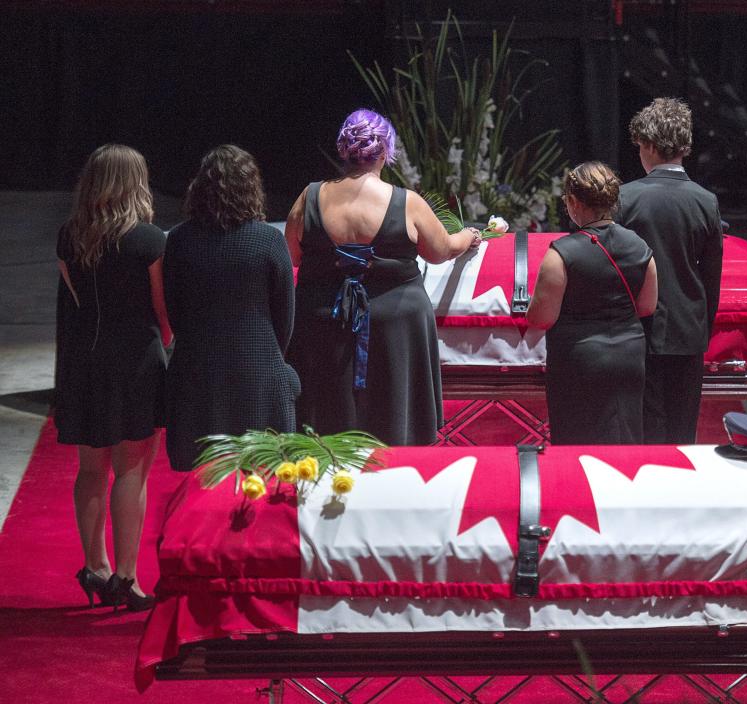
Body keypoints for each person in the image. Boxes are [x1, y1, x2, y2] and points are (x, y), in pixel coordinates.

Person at [285, 108, 480, 445]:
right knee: (394, 421)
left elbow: (292, 255)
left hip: (324, 322)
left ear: (344, 148)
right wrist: (469, 236)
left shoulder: (309, 196)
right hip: (396, 327)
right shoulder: (407, 202)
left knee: (327, 417)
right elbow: (441, 250)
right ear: (386, 151)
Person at [55, 144, 171, 612]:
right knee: (131, 470)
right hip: (135, 363)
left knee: (90, 469)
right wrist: (163, 341)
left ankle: (95, 568)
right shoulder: (148, 240)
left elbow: (75, 303)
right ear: (135, 183)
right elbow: (163, 314)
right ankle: (127, 578)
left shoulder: (68, 237)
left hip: (83, 363)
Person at [164, 145, 299, 471]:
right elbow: (286, 317)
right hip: (260, 375)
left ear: (200, 186)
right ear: (252, 188)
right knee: (260, 479)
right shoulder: (269, 241)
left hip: (197, 373)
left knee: (202, 481)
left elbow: (174, 309)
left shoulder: (180, 240)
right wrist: (269, 356)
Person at [527, 161, 658, 445]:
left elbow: (541, 318)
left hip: (579, 361)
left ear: (573, 202)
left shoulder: (561, 254)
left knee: (578, 446)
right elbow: (647, 305)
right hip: (629, 356)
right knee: (624, 441)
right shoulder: (639, 245)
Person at [618, 97, 723, 444]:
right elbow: (711, 275)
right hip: (688, 328)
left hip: (634, 329)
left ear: (647, 145)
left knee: (642, 432)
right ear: (684, 147)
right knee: (682, 433)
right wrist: (701, 325)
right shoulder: (705, 200)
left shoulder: (625, 198)